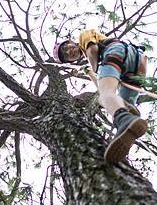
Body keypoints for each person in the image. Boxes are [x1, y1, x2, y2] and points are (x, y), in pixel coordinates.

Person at [53, 29, 149, 163]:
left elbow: (92, 50)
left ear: (70, 42)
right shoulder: (91, 60)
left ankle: (124, 119)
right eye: (66, 56)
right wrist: (89, 72)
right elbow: (103, 88)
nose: (68, 52)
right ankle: (126, 128)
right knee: (120, 103)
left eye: (65, 48)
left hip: (115, 52)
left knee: (106, 98)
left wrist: (95, 68)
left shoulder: (83, 37)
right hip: (138, 62)